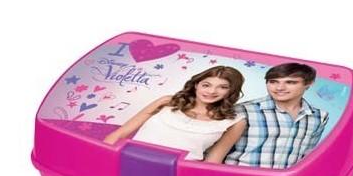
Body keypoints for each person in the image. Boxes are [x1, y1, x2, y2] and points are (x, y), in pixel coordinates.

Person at [103, 66, 247, 162]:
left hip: (180, 175)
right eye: (206, 85)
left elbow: (213, 161)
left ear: (231, 91)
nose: (211, 91)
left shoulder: (235, 122)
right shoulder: (167, 102)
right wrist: (102, 160)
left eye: (222, 87)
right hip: (132, 161)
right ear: (196, 85)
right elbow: (119, 134)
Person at [224, 63, 329, 169]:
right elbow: (218, 152)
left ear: (309, 83)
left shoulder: (319, 116)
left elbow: (306, 157)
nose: (279, 88)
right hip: (239, 175)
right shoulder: (242, 110)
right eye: (273, 82)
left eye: (290, 82)